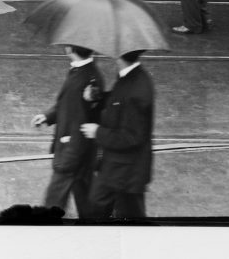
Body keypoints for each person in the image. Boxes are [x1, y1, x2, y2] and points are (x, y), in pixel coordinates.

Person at [33, 45, 105, 219]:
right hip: (83, 152)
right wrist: (48, 116)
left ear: (69, 49)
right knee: (84, 195)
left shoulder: (80, 80)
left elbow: (79, 118)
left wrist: (67, 159)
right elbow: (67, 105)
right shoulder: (88, 73)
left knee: (54, 200)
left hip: (71, 151)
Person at [82, 50, 156, 220]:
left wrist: (97, 132)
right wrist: (99, 97)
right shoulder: (130, 78)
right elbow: (119, 102)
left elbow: (132, 137)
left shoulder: (138, 89)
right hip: (120, 170)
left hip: (124, 172)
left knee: (100, 208)